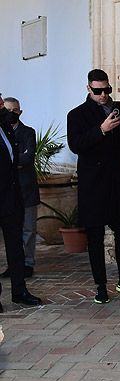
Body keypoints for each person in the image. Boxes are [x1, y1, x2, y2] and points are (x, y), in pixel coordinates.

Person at [67, 69, 120, 303]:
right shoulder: (77, 115)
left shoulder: (116, 112)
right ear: (88, 89)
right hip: (93, 186)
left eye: (106, 90)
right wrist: (101, 130)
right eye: (98, 91)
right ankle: (100, 285)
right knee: (95, 237)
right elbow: (76, 145)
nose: (103, 95)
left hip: (118, 183)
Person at [0, 94, 42, 310]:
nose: (5, 110)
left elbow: (21, 158)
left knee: (17, 245)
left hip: (13, 198)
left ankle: (19, 290)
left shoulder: (8, 130)